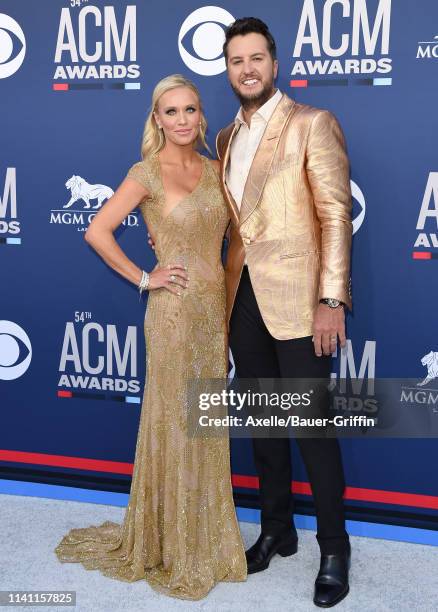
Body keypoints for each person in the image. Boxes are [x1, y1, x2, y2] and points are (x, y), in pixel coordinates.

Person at [54, 74, 247, 600]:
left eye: (190, 110)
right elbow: (97, 229)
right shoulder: (147, 172)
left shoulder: (215, 170)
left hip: (211, 314)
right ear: (156, 119)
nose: (182, 120)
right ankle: (168, 542)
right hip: (172, 314)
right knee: (172, 420)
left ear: (200, 116)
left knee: (204, 421)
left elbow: (233, 247)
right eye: (171, 112)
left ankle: (203, 537)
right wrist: (145, 277)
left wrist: (229, 306)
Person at [216, 18, 353, 608]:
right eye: (235, 61)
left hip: (300, 301)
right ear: (228, 70)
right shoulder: (223, 138)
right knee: (266, 428)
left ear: (274, 64)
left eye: (255, 58)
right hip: (242, 297)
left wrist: (331, 299)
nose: (246, 69)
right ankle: (277, 529)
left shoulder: (312, 124)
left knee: (313, 431)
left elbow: (334, 217)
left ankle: (334, 548)